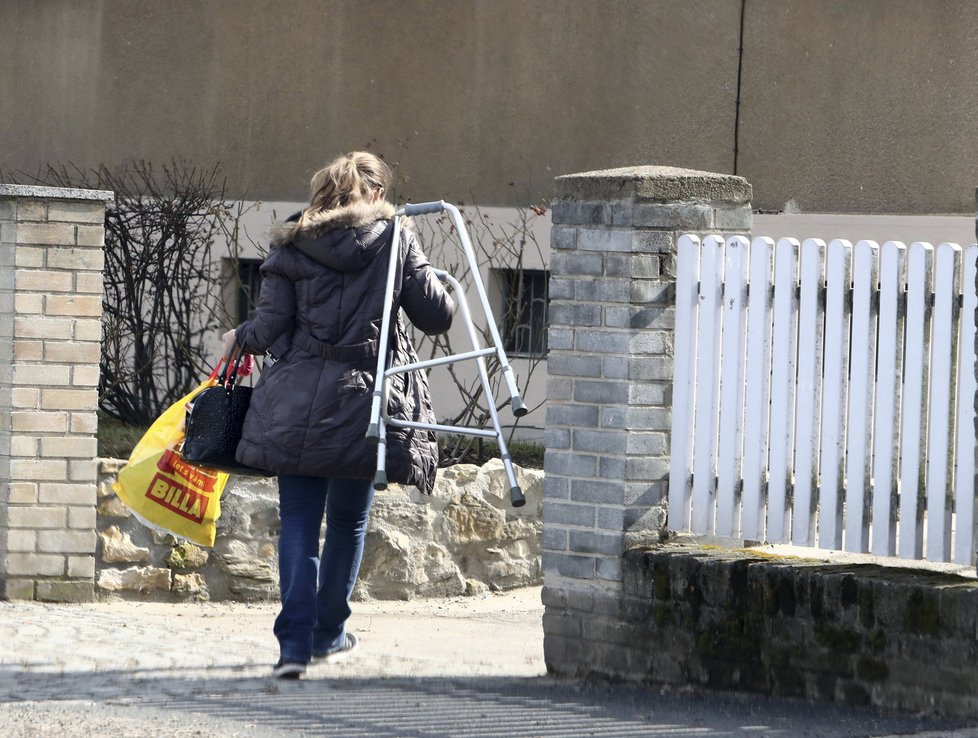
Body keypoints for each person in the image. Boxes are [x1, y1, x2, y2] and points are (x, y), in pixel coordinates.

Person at [221, 151, 455, 679]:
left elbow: (270, 327)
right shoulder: (396, 238)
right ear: (374, 194)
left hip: (296, 399)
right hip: (363, 403)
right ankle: (329, 634)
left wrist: (238, 338)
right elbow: (435, 317)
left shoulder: (291, 240)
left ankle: (294, 648)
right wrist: (431, 276)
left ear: (323, 191)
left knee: (299, 520)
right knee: (348, 520)